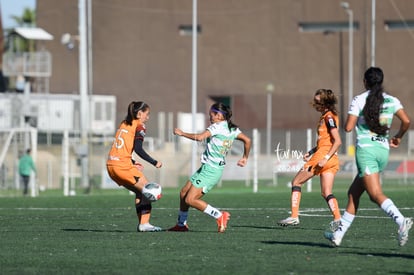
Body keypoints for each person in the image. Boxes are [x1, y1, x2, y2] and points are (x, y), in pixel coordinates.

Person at [325, 67, 412, 247]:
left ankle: (401, 220)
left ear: (365, 82)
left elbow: (348, 128)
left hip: (366, 151)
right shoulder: (392, 100)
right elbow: (406, 121)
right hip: (382, 151)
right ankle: (338, 235)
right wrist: (398, 137)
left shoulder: (359, 99)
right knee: (353, 194)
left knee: (375, 194)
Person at [168, 102, 251, 233]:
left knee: (190, 199)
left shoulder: (216, 127)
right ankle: (181, 224)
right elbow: (248, 140)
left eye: (212, 114)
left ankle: (219, 215)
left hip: (211, 171)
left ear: (219, 115)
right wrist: (245, 157)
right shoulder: (232, 129)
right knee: (183, 192)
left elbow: (200, 137)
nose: (210, 116)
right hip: (208, 168)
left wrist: (182, 133)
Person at [278, 89, 342, 229]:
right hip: (332, 157)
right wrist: (312, 151)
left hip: (324, 157)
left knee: (296, 182)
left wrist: (324, 158)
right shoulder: (327, 116)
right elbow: (327, 141)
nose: (315, 104)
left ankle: (294, 216)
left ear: (325, 102)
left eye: (318, 101)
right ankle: (338, 219)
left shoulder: (328, 117)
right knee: (326, 192)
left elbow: (337, 141)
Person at [106, 101, 163, 232]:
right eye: (146, 114)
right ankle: (145, 224)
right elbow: (138, 149)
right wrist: (154, 162)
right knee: (149, 191)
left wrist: (131, 161)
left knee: (139, 192)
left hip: (111, 165)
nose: (147, 117)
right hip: (122, 166)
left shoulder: (124, 123)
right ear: (139, 113)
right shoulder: (140, 126)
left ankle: (143, 224)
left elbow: (120, 147)